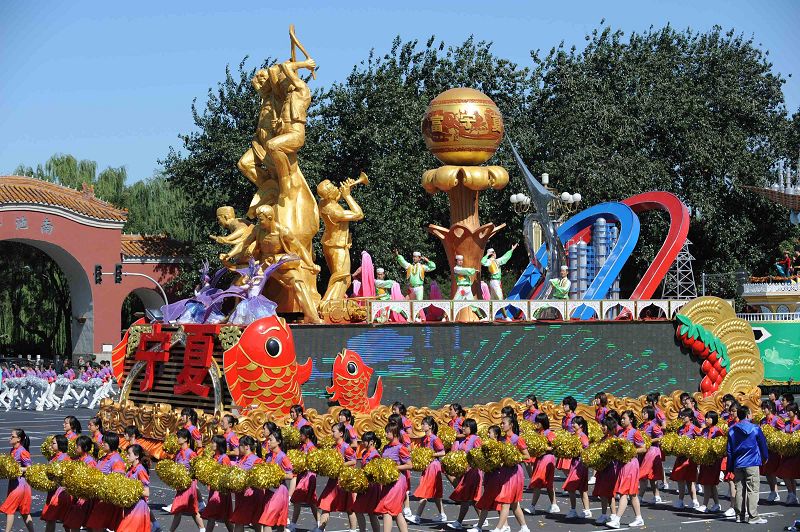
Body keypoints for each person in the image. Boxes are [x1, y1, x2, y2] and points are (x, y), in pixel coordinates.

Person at [726, 405, 768, 524]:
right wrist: (765, 457)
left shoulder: (732, 430)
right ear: (748, 415)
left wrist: (730, 466)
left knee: (739, 489)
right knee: (752, 489)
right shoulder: (755, 428)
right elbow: (762, 444)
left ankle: (739, 515)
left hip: (738, 463)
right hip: (752, 462)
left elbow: (729, 450)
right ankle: (753, 516)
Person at [607, 410, 645, 529]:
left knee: (623, 492)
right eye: (621, 419)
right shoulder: (620, 432)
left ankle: (617, 520)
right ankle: (639, 518)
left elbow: (643, 448)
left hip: (631, 464)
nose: (622, 420)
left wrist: (630, 451)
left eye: (624, 418)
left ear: (631, 420)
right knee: (632, 494)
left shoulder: (635, 433)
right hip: (622, 464)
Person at [317, 423, 357, 531]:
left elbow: (353, 461)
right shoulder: (333, 446)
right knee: (326, 504)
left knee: (349, 508)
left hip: (343, 481)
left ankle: (353, 529)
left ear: (341, 433)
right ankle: (320, 528)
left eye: (333, 431)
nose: (331, 433)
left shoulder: (346, 447)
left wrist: (340, 465)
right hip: (333, 480)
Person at [409, 416, 446, 524]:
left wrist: (430, 454)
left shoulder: (435, 438)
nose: (422, 426)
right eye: (422, 424)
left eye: (424, 424)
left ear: (430, 426)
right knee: (436, 493)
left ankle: (417, 517)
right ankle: (442, 515)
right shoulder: (424, 438)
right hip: (428, 466)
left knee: (424, 491)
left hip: (433, 466)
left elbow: (442, 452)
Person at [446, 418, 482, 530]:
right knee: (471, 498)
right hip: (465, 471)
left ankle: (459, 522)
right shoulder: (464, 439)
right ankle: (482, 520)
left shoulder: (475, 439)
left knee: (466, 497)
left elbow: (479, 455)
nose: (463, 428)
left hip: (473, 471)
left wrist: (470, 463)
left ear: (471, 427)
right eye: (463, 426)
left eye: (466, 426)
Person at [376, 422, 411, 532]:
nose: (385, 434)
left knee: (387, 509)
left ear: (395, 433)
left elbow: (410, 465)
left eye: (388, 432)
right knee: (397, 511)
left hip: (398, 481)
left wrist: (394, 468)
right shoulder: (386, 447)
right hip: (388, 481)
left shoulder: (401, 448)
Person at [168, 429, 204, 531]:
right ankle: (203, 529)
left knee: (178, 509)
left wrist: (188, 474)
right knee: (193, 510)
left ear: (185, 439)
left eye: (179, 437)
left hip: (189, 485)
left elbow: (197, 469)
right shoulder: (178, 453)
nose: (177, 439)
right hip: (181, 485)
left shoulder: (191, 453)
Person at [258, 428, 294, 532]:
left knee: (267, 522)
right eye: (268, 440)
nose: (268, 442)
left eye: (271, 440)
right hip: (270, 491)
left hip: (279, 492)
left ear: (278, 442)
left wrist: (276, 474)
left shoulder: (283, 457)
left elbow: (290, 475)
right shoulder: (268, 456)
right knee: (279, 524)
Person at [0, 429, 33, 532]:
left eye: (12, 436)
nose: (10, 437)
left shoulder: (23, 451)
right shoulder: (12, 450)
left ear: (18, 439)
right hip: (14, 483)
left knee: (9, 509)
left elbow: (30, 468)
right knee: (24, 512)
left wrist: (19, 469)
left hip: (21, 485)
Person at [526, 413, 558, 516]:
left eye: (538, 422)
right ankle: (554, 505)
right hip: (540, 459)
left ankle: (532, 506)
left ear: (543, 423)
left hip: (547, 458)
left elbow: (555, 447)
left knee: (538, 481)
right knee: (548, 483)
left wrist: (543, 448)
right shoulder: (538, 433)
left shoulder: (549, 433)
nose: (536, 424)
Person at [118, 444, 155, 532]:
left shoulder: (140, 470)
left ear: (137, 456)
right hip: (130, 505)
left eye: (129, 454)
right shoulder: (131, 469)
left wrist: (131, 488)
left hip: (138, 507)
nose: (126, 456)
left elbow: (146, 492)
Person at [229, 436, 263, 532]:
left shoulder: (256, 460)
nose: (238, 448)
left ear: (247, 446)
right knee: (254, 522)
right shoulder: (242, 458)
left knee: (240, 521)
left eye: (240, 445)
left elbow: (244, 471)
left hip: (251, 495)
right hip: (242, 495)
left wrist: (231, 465)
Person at [201, 435, 233, 532]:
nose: (212, 444)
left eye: (214, 442)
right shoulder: (213, 457)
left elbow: (228, 474)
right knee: (226, 518)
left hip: (221, 491)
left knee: (212, 515)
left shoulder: (224, 458)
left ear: (219, 444)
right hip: (214, 489)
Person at [352, 431, 382, 532]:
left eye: (365, 441)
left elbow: (376, 472)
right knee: (357, 509)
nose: (363, 443)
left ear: (372, 442)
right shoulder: (365, 453)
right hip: (364, 485)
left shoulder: (375, 455)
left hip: (372, 487)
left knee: (371, 513)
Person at [562, 416, 592, 520]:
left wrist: (577, 450)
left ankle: (574, 510)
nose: (572, 425)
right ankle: (586, 510)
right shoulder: (573, 435)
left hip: (580, 464)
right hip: (574, 463)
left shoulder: (583, 436)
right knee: (582, 489)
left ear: (580, 425)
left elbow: (586, 450)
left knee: (572, 487)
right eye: (572, 423)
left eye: (574, 423)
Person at [290, 426, 318, 531]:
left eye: (301, 434)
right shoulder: (301, 446)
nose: (300, 435)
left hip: (309, 477)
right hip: (302, 476)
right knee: (304, 501)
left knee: (307, 501)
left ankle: (319, 524)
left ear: (307, 435)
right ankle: (293, 524)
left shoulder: (311, 448)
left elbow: (314, 464)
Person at [671, 408, 701, 509]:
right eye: (681, 416)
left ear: (690, 417)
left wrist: (691, 448)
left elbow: (700, 442)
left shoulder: (694, 428)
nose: (682, 418)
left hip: (689, 459)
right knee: (680, 479)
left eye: (684, 416)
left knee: (690, 480)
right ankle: (680, 501)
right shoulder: (679, 429)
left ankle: (695, 501)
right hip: (680, 458)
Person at [41, 435, 70, 532]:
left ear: (60, 444)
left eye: (53, 443)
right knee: (50, 518)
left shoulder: (65, 458)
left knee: (65, 521)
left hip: (61, 492)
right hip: (52, 491)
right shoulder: (53, 457)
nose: (51, 445)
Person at [696, 412, 723, 513]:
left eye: (709, 418)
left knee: (707, 483)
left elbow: (721, 445)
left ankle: (704, 505)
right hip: (705, 460)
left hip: (713, 461)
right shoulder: (704, 431)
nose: (706, 420)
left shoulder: (717, 430)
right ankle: (717, 504)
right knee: (710, 484)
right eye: (706, 418)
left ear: (714, 419)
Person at [759, 400, 784, 502]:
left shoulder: (777, 419)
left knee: (773, 471)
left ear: (770, 409)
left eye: (764, 408)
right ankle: (773, 492)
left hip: (774, 450)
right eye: (763, 408)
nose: (763, 410)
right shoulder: (763, 421)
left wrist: (775, 437)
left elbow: (783, 432)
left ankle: (777, 492)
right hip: (766, 449)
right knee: (768, 472)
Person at [638, 406, 664, 504]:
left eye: (645, 413)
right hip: (643, 451)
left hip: (652, 451)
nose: (643, 414)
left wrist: (649, 440)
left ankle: (639, 497)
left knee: (643, 475)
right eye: (643, 412)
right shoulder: (641, 426)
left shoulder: (654, 425)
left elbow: (660, 437)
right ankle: (656, 496)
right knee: (651, 476)